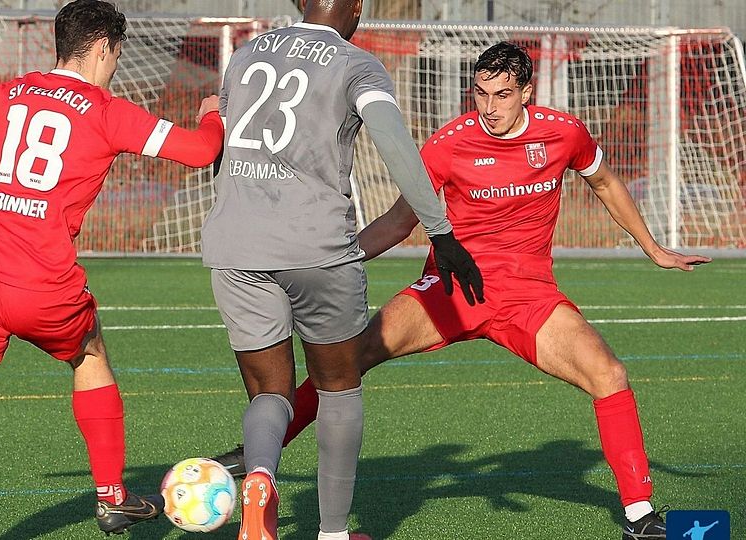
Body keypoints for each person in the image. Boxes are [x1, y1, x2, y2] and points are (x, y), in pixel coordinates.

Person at [213, 42, 712, 540]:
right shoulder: (450, 142)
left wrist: (653, 248)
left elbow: (603, 182)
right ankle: (259, 453)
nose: (489, 107)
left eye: (502, 95)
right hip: (449, 291)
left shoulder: (563, 134)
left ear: (527, 93)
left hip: (528, 297)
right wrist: (332, 258)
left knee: (610, 374)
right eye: (480, 93)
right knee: (346, 361)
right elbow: (398, 220)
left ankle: (640, 517)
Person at [0, 1, 224, 539]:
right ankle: (111, 498)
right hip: (42, 287)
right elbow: (202, 152)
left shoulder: (4, 94)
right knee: (91, 354)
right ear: (104, 47)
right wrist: (212, 110)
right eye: (117, 55)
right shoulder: (107, 111)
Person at [202, 1, 483, 539]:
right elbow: (396, 147)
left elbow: (223, 145)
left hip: (235, 244)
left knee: (269, 395)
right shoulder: (356, 63)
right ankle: (332, 532)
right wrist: (441, 232)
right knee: (338, 387)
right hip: (317, 246)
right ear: (355, 5)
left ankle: (260, 477)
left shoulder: (243, 54)